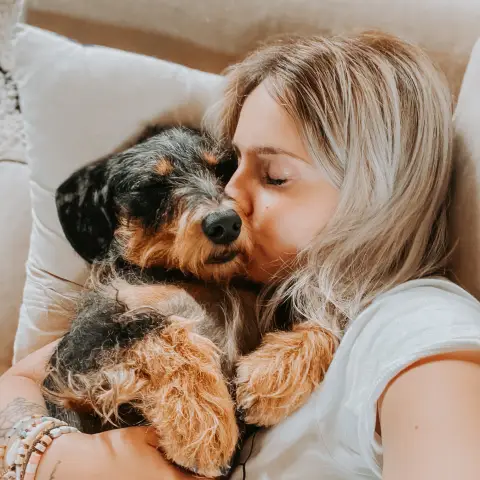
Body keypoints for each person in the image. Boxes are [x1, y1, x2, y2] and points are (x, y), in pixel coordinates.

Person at [1, 31, 480, 480]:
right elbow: (20, 380)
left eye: (274, 176)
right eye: (234, 166)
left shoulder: (416, 335)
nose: (227, 198)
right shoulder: (237, 293)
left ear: (374, 195)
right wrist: (53, 456)